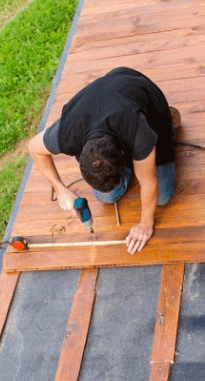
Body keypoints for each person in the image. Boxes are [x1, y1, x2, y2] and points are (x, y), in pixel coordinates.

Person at [27, 67, 180, 254]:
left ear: (124, 156)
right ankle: (138, 162)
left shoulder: (137, 130)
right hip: (104, 98)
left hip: (147, 102)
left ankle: (170, 122)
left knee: (162, 197)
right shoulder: (70, 132)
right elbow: (34, 148)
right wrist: (61, 190)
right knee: (105, 196)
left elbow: (148, 183)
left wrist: (145, 225)